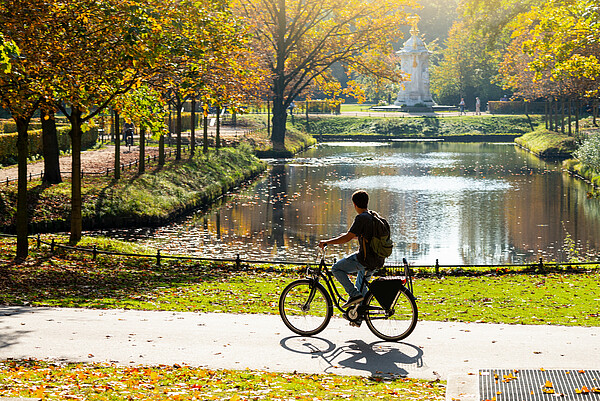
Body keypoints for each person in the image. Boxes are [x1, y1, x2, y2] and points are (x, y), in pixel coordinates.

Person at [318, 190, 386, 310]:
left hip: (365, 260)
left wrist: (327, 242)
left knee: (336, 268)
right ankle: (359, 315)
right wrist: (351, 235)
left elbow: (346, 239)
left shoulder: (361, 218)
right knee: (361, 287)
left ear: (354, 204)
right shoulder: (373, 216)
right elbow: (366, 236)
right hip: (377, 259)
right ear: (366, 202)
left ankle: (353, 295)